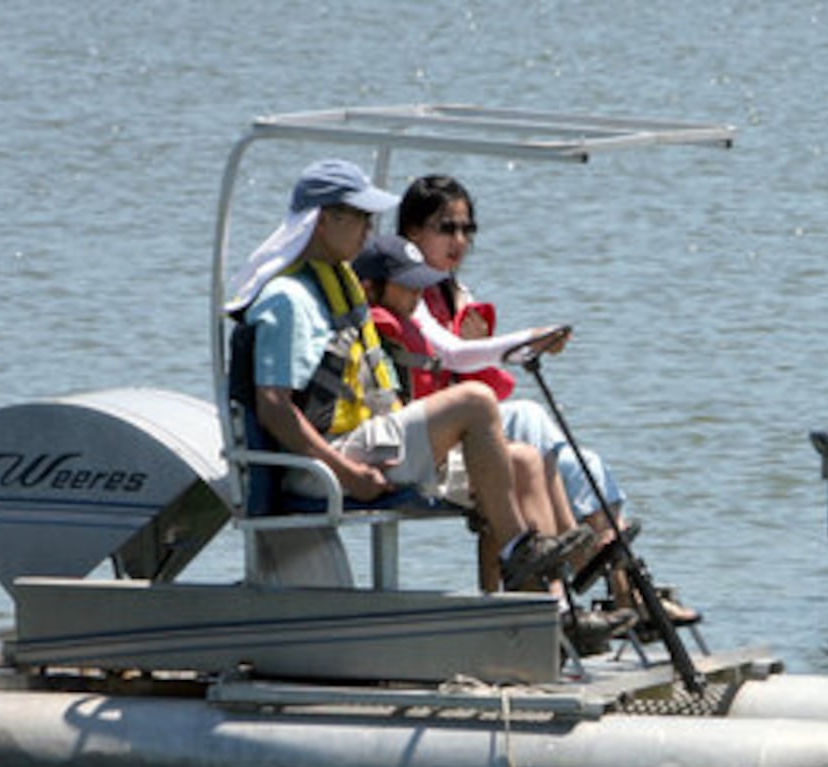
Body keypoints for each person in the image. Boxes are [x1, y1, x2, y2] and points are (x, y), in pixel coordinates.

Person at [225, 159, 585, 593]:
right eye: (360, 218)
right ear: (323, 221)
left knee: (525, 461)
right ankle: (516, 552)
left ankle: (552, 621)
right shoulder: (289, 300)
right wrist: (345, 472)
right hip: (328, 460)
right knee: (474, 401)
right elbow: (274, 408)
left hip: (372, 441)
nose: (370, 231)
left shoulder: (340, 282)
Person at [396, 174, 700, 627]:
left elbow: (486, 373)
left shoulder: (454, 291)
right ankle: (591, 574)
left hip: (471, 421)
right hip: (438, 429)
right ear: (412, 234)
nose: (459, 240)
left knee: (589, 465)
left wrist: (513, 348)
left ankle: (622, 586)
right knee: (532, 418)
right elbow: (452, 354)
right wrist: (524, 340)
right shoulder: (406, 289)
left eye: (467, 229)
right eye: (446, 228)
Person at [353, 233, 635, 651]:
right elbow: (447, 361)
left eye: (419, 285)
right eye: (407, 285)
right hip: (396, 454)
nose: (417, 294)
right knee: (518, 429)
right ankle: (556, 577)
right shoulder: (372, 325)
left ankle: (560, 608)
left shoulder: (409, 318)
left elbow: (450, 355)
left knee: (526, 458)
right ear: (371, 287)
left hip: (428, 447)